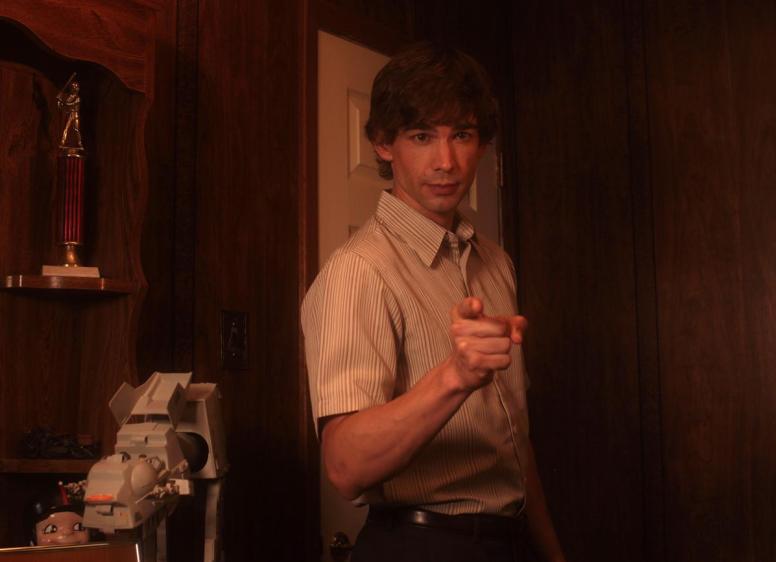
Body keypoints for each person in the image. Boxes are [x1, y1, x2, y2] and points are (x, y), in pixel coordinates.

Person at [302, 42, 566, 562]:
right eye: (422, 136)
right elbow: (344, 467)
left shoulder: (495, 263)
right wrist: (455, 376)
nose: (446, 162)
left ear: (482, 144)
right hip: (420, 545)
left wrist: (552, 555)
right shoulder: (358, 270)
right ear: (383, 144)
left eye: (461, 135)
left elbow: (516, 443)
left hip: (510, 542)